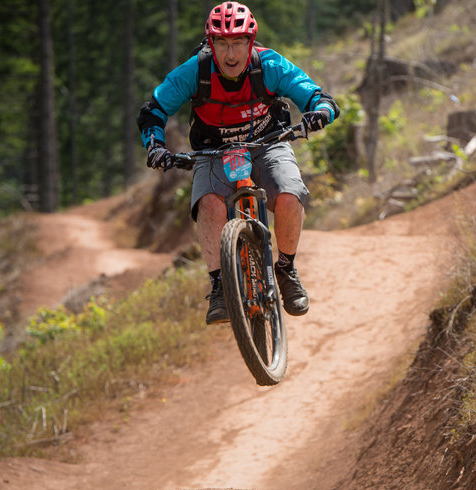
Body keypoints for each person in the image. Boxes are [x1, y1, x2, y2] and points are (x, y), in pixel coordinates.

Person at [137, 1, 339, 325]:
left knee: (289, 194)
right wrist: (155, 146)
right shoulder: (195, 71)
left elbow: (316, 96)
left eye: (238, 43)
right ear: (210, 43)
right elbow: (153, 111)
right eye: (222, 44)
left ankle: (286, 270)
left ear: (251, 42)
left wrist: (320, 112)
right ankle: (219, 286)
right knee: (210, 205)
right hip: (214, 150)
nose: (230, 55)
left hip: (268, 142)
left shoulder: (269, 65)